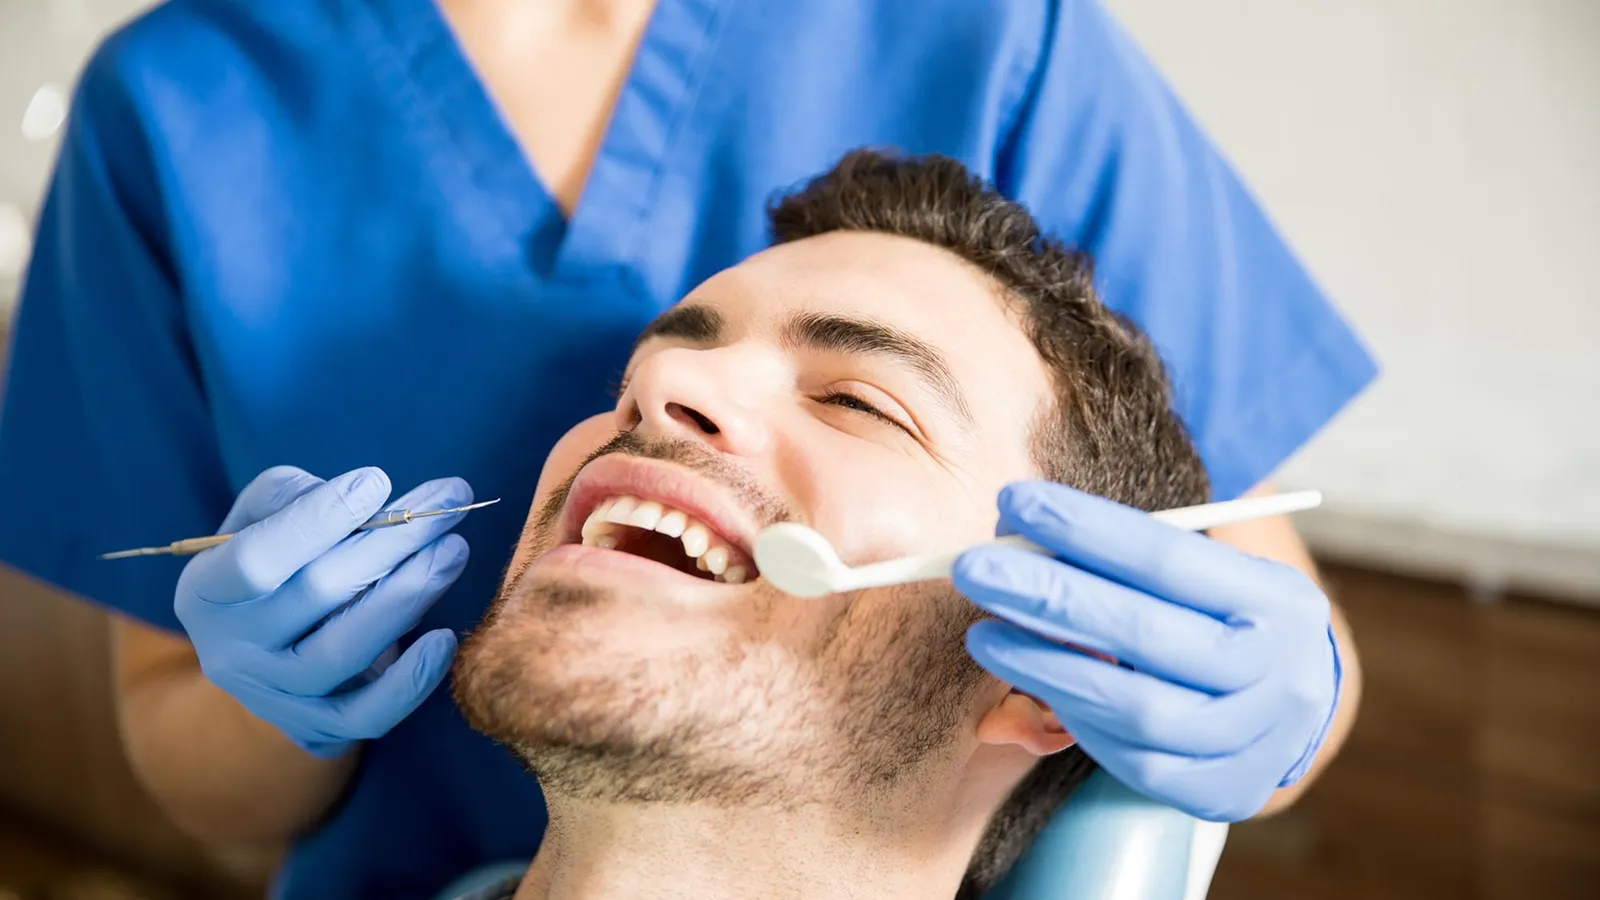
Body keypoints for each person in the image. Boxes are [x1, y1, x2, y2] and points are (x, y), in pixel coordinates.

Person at [0, 2, 1374, 898]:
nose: (663, 386)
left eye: (859, 401)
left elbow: (1239, 584)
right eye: (658, 354)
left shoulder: (998, 35)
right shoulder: (177, 103)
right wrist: (265, 700)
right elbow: (192, 763)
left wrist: (1285, 703)